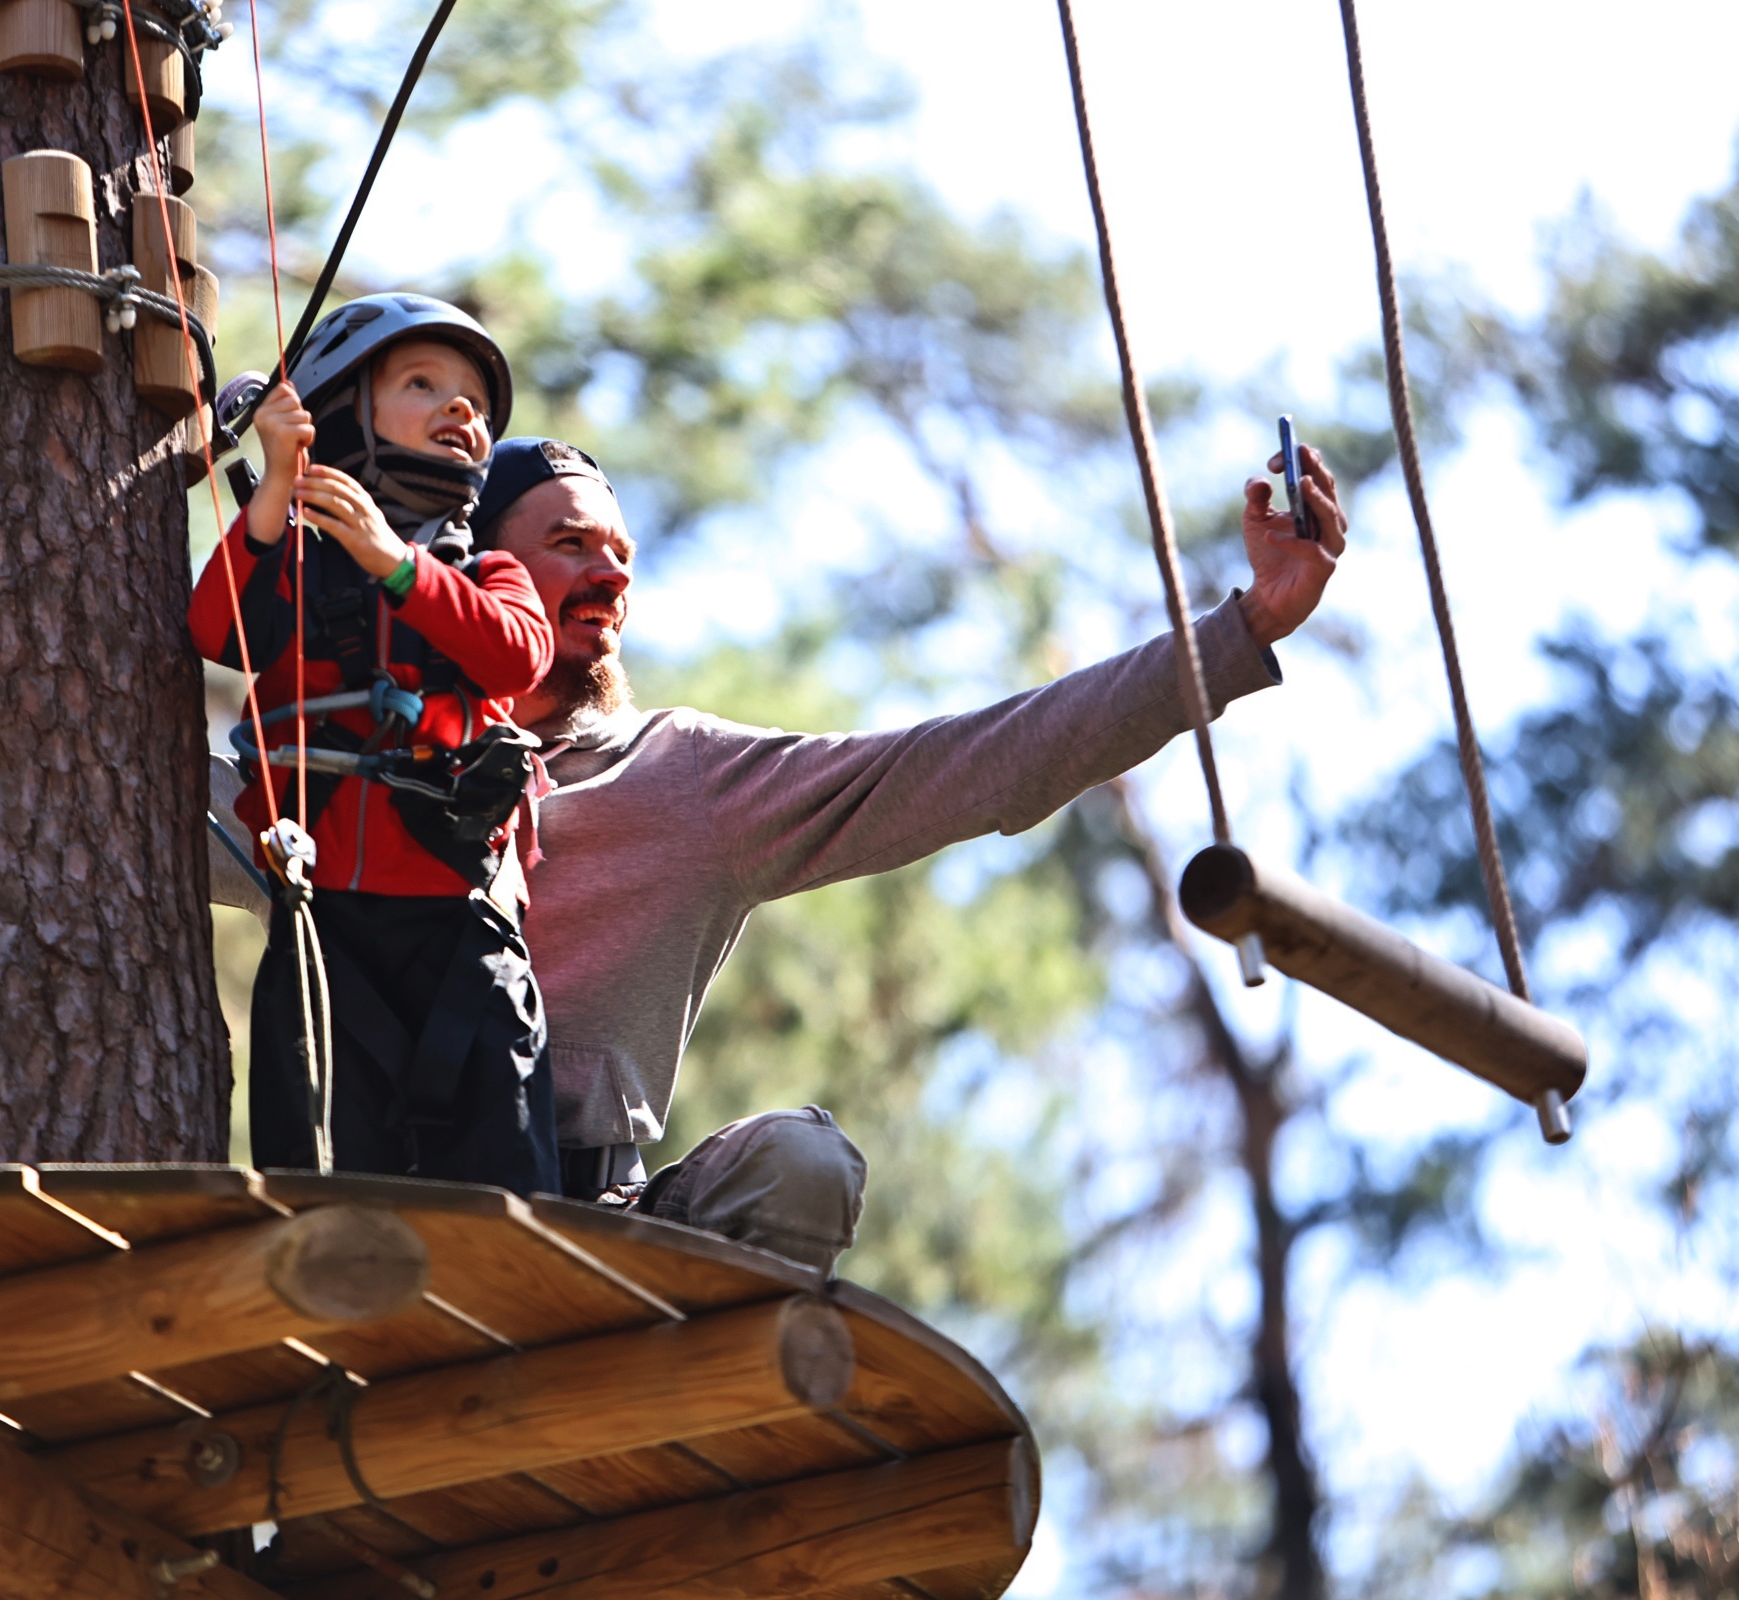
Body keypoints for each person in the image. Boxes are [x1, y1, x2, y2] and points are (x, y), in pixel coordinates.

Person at [209, 435, 1348, 1270]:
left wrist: (1240, 630)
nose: (607, 576)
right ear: (475, 567)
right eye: (567, 546)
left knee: (800, 1168)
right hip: (367, 1188)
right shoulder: (350, 764)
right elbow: (188, 810)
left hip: (586, 1231)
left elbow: (978, 763)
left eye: (621, 556)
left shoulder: (681, 780)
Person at [188, 295, 558, 1195]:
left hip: (462, 933)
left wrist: (397, 561)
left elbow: (519, 650)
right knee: (318, 1192)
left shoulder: (485, 575)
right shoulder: (290, 567)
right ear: (341, 410)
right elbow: (218, 630)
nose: (461, 410)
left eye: (473, 398)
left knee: (502, 1193)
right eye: (423, 384)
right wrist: (276, 482)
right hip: (323, 927)